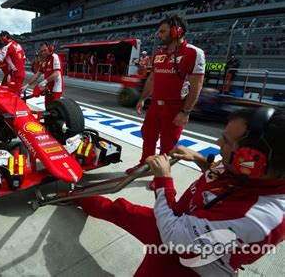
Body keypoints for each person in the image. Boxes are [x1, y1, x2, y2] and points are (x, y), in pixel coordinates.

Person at [76, 107, 285, 276]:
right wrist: (200, 160)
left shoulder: (260, 218)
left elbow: (173, 237)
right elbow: (222, 177)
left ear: (253, 161)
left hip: (187, 263)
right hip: (180, 224)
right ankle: (74, 195)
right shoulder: (247, 170)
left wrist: (163, 179)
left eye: (227, 141)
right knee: (119, 209)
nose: (217, 143)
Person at [127, 15, 205, 190]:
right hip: (155, 105)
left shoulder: (194, 53)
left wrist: (185, 112)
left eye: (162, 31)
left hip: (176, 107)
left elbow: (196, 86)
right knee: (148, 135)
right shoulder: (159, 54)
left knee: (168, 145)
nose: (158, 35)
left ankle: (161, 174)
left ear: (176, 31)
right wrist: (142, 98)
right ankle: (144, 165)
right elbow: (152, 79)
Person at [22, 42, 63, 108]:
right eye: (42, 51)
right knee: (47, 107)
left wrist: (44, 82)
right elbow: (37, 74)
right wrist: (27, 85)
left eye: (45, 50)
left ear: (50, 48)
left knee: (54, 110)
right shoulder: (45, 61)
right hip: (47, 89)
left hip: (56, 89)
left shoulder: (54, 57)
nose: (43, 52)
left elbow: (57, 73)